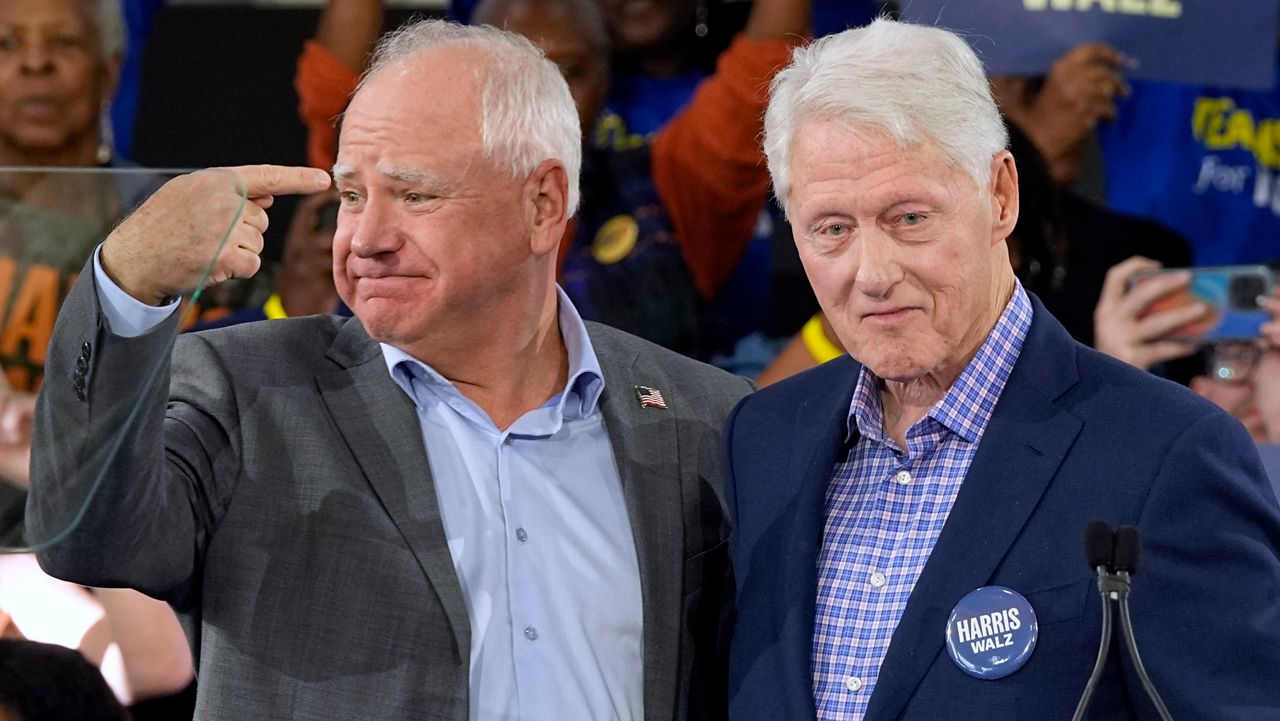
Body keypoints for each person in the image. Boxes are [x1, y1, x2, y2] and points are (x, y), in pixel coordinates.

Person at [27, 18, 752, 721]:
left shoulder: (705, 417)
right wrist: (127, 286)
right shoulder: (245, 391)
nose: (365, 238)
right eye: (350, 196)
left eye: (414, 194)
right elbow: (84, 534)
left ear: (543, 203)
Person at [724, 18, 1280, 721]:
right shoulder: (761, 438)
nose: (872, 273)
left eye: (908, 217)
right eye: (832, 228)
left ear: (1001, 195)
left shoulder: (1169, 455)